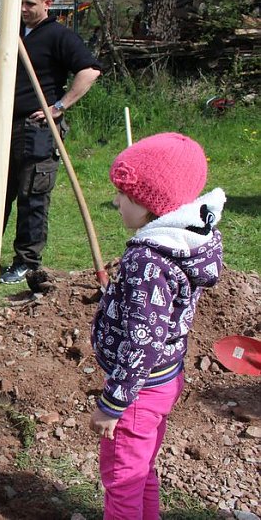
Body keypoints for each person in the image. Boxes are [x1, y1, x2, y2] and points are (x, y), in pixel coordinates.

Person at [89, 132, 224, 519]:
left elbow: (142, 343)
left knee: (122, 482)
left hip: (137, 393)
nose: (116, 201)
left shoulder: (148, 261)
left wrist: (114, 403)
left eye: (124, 195)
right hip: (164, 380)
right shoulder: (185, 242)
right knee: (142, 469)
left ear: (151, 204)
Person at [0, 0, 101, 283]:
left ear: (47, 4)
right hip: (6, 125)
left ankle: (26, 261)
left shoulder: (58, 35)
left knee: (32, 195)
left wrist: (59, 107)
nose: (22, 9)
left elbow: (90, 72)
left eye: (30, 3)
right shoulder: (13, 34)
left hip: (37, 129)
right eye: (19, 3)